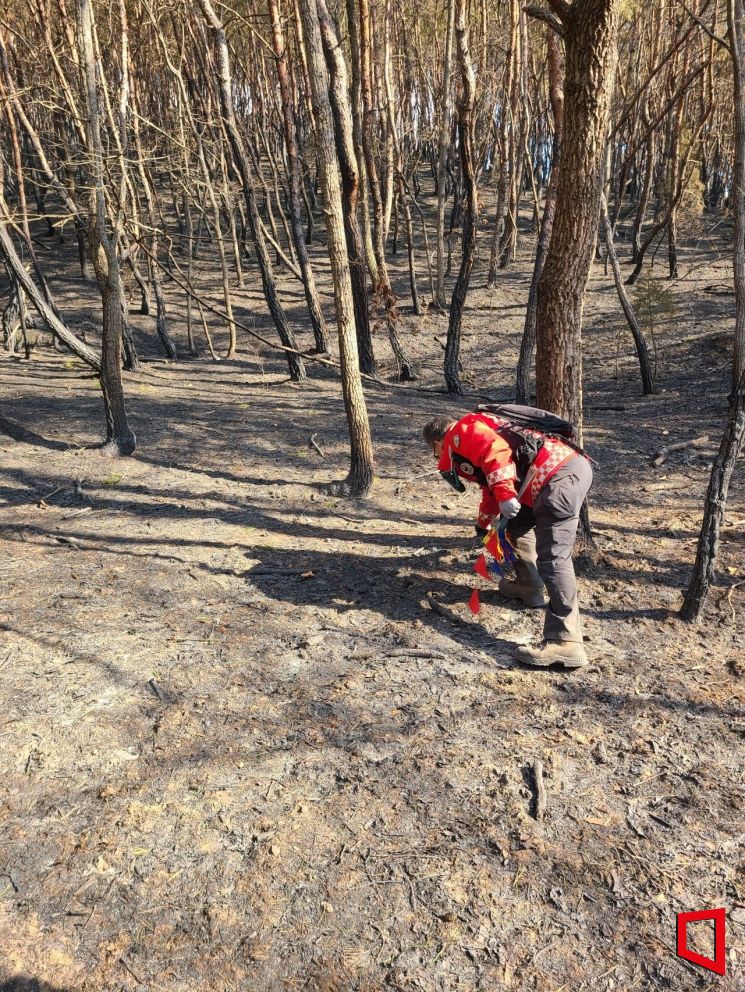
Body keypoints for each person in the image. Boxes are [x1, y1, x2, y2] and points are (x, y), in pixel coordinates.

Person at [423, 409, 593, 669]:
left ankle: (566, 641)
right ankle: (529, 586)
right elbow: (489, 488)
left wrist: (505, 494)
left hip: (557, 476)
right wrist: (482, 525)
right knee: (514, 526)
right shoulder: (474, 434)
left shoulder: (461, 432)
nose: (438, 458)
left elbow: (495, 448)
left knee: (554, 556)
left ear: (437, 443)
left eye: (435, 452)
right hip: (560, 472)